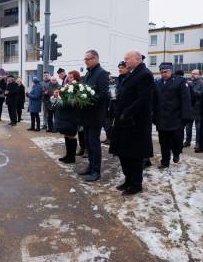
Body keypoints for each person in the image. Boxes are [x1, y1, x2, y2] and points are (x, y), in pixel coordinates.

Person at [109, 51, 154, 195]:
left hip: (135, 123)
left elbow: (144, 99)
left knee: (134, 155)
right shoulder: (132, 73)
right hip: (124, 121)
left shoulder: (145, 74)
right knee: (124, 153)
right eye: (125, 58)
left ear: (137, 59)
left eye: (127, 58)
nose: (125, 61)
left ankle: (136, 184)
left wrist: (126, 113)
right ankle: (128, 180)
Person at [152, 62, 192, 169]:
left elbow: (186, 99)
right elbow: (154, 101)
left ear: (171, 71)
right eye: (161, 72)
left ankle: (176, 152)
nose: (163, 74)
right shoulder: (157, 83)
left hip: (176, 117)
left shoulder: (180, 81)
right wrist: (154, 116)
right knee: (163, 142)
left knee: (177, 139)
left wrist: (186, 117)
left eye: (165, 72)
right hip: (162, 118)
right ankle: (165, 162)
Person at [78, 50, 110, 182]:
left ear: (96, 58)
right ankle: (90, 166)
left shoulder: (101, 73)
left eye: (88, 59)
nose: (86, 61)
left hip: (96, 115)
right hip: (86, 115)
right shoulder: (88, 73)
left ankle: (96, 170)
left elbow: (104, 94)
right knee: (88, 143)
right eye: (85, 59)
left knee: (94, 143)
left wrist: (88, 100)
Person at [53, 70, 82, 164]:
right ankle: (68, 155)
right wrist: (57, 96)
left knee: (71, 136)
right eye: (68, 77)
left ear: (76, 78)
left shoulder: (77, 88)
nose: (69, 79)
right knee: (66, 135)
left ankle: (71, 157)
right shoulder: (67, 86)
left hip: (72, 116)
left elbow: (72, 102)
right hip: (65, 116)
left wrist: (61, 99)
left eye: (71, 77)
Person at [184, 69, 203, 152]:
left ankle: (198, 143)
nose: (192, 75)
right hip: (190, 108)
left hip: (198, 108)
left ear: (199, 75)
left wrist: (192, 91)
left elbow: (201, 94)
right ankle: (187, 141)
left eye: (195, 74)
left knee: (198, 127)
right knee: (188, 127)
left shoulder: (202, 83)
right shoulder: (189, 83)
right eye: (192, 73)